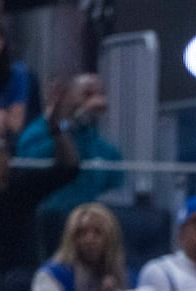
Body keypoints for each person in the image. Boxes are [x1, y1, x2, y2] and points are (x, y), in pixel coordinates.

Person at [0, 88, 79, 279]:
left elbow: (69, 169)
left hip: (23, 275)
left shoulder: (22, 184)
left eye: (1, 149)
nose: (0, 154)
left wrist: (56, 127)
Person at [16, 73, 125, 221]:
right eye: (87, 94)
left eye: (100, 94)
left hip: (88, 224)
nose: (96, 101)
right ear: (66, 96)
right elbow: (30, 172)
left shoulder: (106, 149)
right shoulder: (35, 135)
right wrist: (69, 123)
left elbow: (115, 191)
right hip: (46, 219)